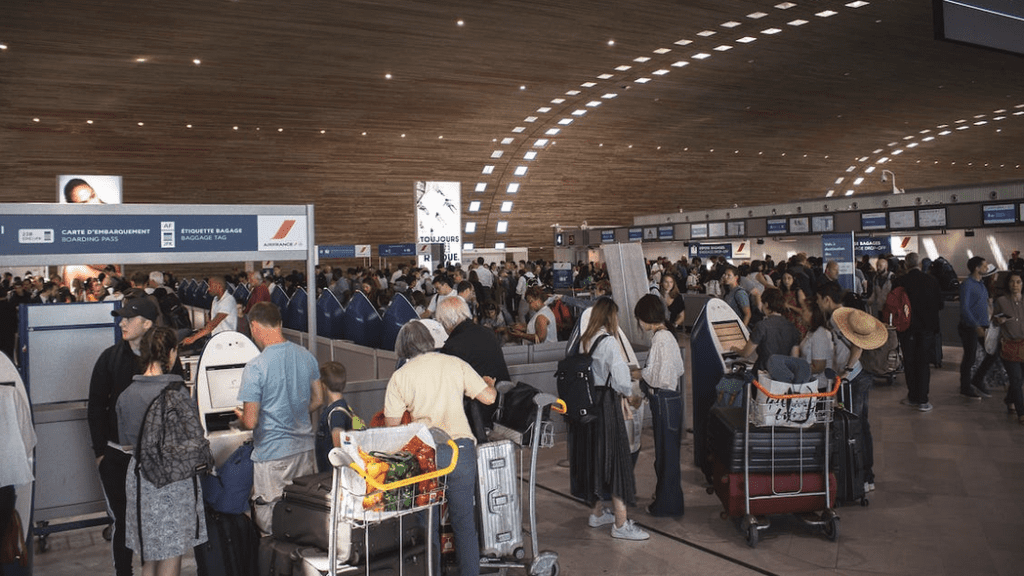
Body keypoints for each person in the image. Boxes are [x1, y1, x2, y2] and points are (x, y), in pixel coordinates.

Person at [383, 321, 497, 576]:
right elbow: (489, 397)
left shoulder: (400, 377)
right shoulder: (454, 363)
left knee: (429, 525)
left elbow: (392, 427)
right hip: (461, 450)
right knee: (464, 523)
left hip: (426, 454)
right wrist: (489, 382)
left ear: (402, 345)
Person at [87, 298, 172, 576]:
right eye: (120, 318)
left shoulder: (166, 360)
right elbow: (96, 405)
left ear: (147, 324)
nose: (121, 323)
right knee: (123, 522)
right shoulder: (109, 359)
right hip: (116, 458)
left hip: (154, 460)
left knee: (152, 522)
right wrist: (101, 452)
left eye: (128, 318)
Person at [117, 326, 207, 576]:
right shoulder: (178, 393)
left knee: (150, 556)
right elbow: (192, 441)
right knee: (171, 554)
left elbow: (126, 444)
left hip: (140, 481)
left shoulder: (125, 396)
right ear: (172, 353)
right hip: (173, 482)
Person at [234, 302, 323, 534]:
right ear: (280, 324)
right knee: (302, 517)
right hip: (304, 452)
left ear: (253, 326)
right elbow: (318, 399)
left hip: (273, 456)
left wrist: (239, 418)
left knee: (271, 524)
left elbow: (251, 422)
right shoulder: (306, 356)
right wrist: (295, 413)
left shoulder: (255, 367)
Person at [568, 298, 648, 541]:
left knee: (594, 459)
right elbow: (623, 381)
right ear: (610, 317)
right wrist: (629, 391)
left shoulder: (585, 340)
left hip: (588, 406)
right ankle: (621, 524)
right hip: (607, 406)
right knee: (616, 461)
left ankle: (597, 513)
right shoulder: (610, 342)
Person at [818, 283, 887, 493]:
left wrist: (846, 370)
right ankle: (867, 476)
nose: (819, 304)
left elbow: (857, 344)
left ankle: (859, 478)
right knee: (862, 427)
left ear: (827, 299)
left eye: (819, 299)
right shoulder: (848, 313)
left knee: (853, 428)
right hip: (863, 376)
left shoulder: (837, 318)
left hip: (853, 379)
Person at [633, 295, 684, 517]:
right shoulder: (668, 336)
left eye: (639, 319)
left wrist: (638, 373)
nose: (638, 324)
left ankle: (666, 505)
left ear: (647, 317)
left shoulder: (661, 338)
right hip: (671, 400)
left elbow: (656, 376)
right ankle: (668, 499)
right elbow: (678, 369)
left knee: (665, 457)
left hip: (663, 400)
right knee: (668, 455)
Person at [438, 296, 511, 442]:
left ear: (446, 322)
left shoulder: (452, 347)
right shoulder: (488, 333)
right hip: (502, 405)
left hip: (476, 416)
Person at [893, 252, 943, 412]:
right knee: (923, 363)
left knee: (910, 362)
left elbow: (893, 305)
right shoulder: (931, 281)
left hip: (907, 329)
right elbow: (940, 304)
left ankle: (912, 396)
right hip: (927, 329)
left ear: (906, 265)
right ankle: (923, 399)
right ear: (919, 264)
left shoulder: (900, 281)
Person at [731, 287, 801, 374]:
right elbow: (794, 357)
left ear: (766, 305)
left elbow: (746, 353)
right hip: (782, 375)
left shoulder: (762, 326)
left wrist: (735, 349)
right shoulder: (792, 327)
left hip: (762, 374)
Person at [314, 361, 361, 473]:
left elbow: (338, 450)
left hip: (332, 475)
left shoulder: (336, 414)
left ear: (323, 385)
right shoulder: (345, 407)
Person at [959, 257, 995, 399]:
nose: (987, 268)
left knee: (992, 353)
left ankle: (977, 379)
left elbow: (985, 304)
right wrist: (976, 325)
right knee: (970, 357)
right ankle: (965, 387)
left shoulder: (981, 284)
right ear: (976, 268)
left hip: (983, 325)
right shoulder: (967, 284)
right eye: (984, 266)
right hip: (970, 327)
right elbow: (965, 308)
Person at [994, 271, 1024, 425]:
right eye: (1012, 282)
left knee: (1019, 380)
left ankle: (1009, 399)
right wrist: (998, 320)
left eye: (1018, 282)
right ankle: (1021, 413)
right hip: (1009, 345)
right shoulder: (1001, 301)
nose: (1015, 285)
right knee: (1016, 379)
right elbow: (994, 320)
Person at [181, 275, 237, 347]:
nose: (208, 289)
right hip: (217, 339)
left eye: (210, 286)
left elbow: (213, 324)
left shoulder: (228, 300)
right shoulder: (215, 300)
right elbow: (211, 323)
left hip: (227, 342)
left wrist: (193, 338)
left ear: (219, 286)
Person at [793, 301, 833, 390]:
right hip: (809, 382)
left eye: (803, 311)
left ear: (812, 313)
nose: (801, 313)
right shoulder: (811, 332)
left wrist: (797, 369)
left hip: (817, 385)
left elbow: (819, 367)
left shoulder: (819, 334)